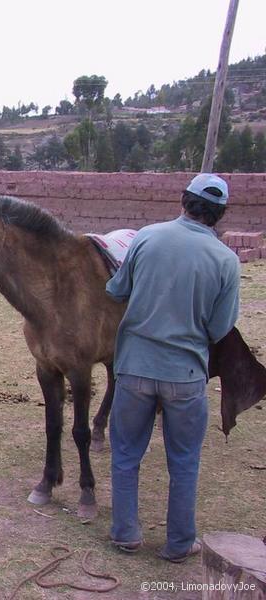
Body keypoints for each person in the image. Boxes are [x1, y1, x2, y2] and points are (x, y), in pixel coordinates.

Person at [105, 173, 240, 563]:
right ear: (219, 215)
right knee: (183, 462)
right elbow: (219, 328)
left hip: (133, 370)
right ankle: (180, 543)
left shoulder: (147, 236)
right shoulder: (226, 260)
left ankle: (125, 533)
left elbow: (116, 290)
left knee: (126, 453)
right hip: (186, 376)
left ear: (183, 201)